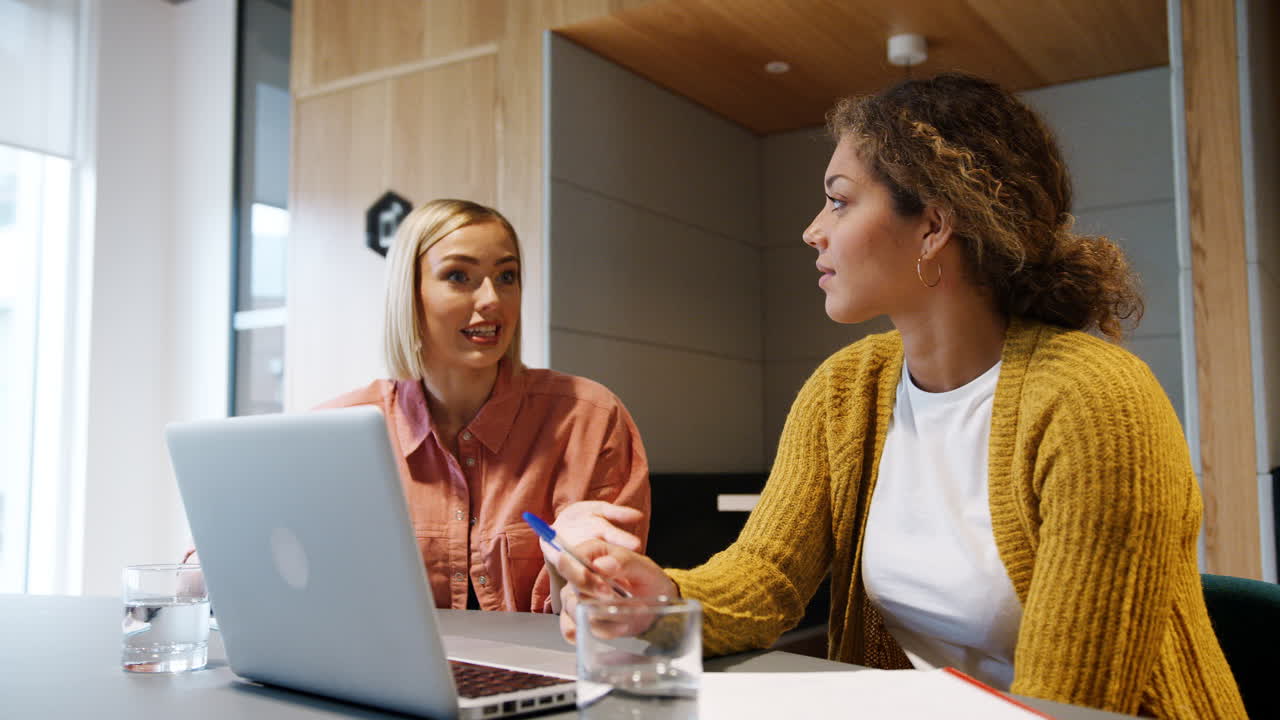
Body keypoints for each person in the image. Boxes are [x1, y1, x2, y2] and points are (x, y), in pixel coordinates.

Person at [551, 74, 1246, 719]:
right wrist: (662, 597)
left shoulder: (1094, 403)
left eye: (839, 199)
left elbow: (1068, 706)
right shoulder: (845, 390)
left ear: (935, 226)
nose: (812, 230)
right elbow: (766, 574)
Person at [237, 198, 649, 614]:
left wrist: (573, 570)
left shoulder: (589, 419)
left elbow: (615, 613)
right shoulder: (333, 434)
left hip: (549, 670)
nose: (492, 299)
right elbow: (232, 574)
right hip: (382, 675)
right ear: (410, 295)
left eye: (507, 276)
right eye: (459, 276)